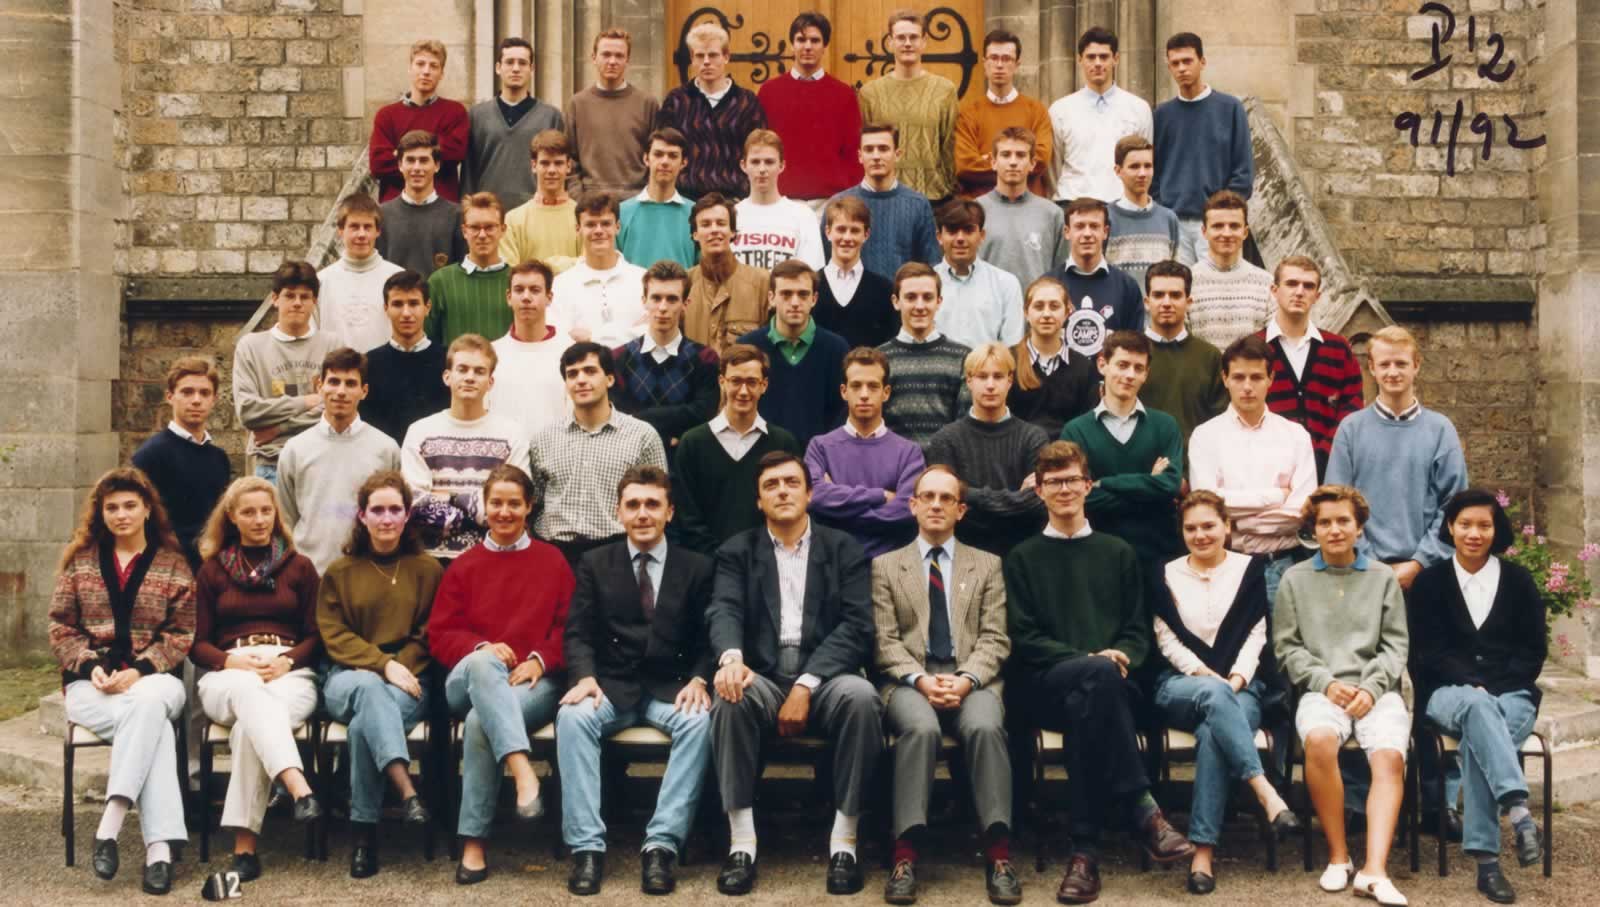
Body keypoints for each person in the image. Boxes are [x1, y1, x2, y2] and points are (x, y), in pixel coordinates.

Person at [1005, 441, 1194, 903]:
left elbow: (1137, 632)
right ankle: (1144, 810)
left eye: (1072, 480)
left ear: (1089, 486)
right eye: (1054, 482)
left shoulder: (1119, 552)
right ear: (1039, 491)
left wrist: (1114, 659)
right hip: (1046, 684)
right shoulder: (1022, 557)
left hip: (1113, 685)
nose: (1064, 489)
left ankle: (1084, 854)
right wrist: (1090, 659)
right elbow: (1024, 637)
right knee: (1093, 683)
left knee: (1090, 702)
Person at [707, 451, 882, 896]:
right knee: (731, 695)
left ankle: (844, 843)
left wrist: (806, 684)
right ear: (759, 500)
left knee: (862, 698)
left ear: (809, 494)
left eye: (791, 483)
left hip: (826, 675)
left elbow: (857, 626)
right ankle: (741, 845)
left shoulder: (843, 548)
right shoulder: (737, 551)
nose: (782, 491)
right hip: (764, 675)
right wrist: (731, 659)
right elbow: (724, 608)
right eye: (771, 485)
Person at [555, 466, 717, 896]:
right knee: (572, 718)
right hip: (611, 686)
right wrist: (584, 676)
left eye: (652, 504)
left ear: (670, 512)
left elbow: (709, 637)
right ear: (619, 512)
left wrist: (701, 678)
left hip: (671, 687)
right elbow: (578, 632)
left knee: (699, 721)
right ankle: (587, 848)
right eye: (633, 505)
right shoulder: (594, 563)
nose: (642, 513)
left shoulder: (697, 567)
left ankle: (661, 845)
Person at [873, 464, 1020, 905]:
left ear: (961, 510)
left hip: (973, 677)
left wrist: (966, 679)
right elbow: (884, 641)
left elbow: (996, 637)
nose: (936, 505)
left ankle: (999, 855)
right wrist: (920, 680)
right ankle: (905, 854)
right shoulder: (886, 566)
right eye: (928, 497)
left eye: (946, 498)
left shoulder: (987, 564)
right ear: (913, 505)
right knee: (920, 730)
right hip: (909, 681)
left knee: (985, 727)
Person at [49, 467, 194, 895]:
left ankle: (110, 823)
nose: (121, 514)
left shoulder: (173, 564)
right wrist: (88, 665)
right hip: (90, 688)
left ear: (148, 509)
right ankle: (159, 853)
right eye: (112, 507)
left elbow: (181, 633)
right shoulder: (80, 563)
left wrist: (140, 670)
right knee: (156, 729)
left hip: (156, 680)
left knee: (149, 703)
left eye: (130, 505)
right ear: (101, 513)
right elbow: (61, 626)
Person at [428, 465, 574, 885]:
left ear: (529, 507)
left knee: (481, 721)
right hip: (468, 679)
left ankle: (473, 843)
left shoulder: (553, 561)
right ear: (484, 506)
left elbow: (570, 628)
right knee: (482, 664)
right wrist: (483, 650)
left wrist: (540, 660)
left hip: (532, 683)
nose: (504, 511)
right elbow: (440, 634)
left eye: (514, 503)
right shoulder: (463, 566)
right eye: (496, 503)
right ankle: (522, 769)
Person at [1151, 491, 1299, 895]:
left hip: (1242, 686)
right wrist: (1208, 678)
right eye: (1191, 528)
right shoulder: (1164, 572)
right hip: (1180, 687)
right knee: (1214, 700)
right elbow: (1166, 640)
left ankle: (1202, 853)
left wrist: (1234, 681)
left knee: (1212, 733)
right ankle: (1265, 792)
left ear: (1226, 526)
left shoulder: (1250, 569)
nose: (1200, 535)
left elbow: (1257, 634)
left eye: (1209, 526)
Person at [1274, 485, 1411, 907]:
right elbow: (1287, 647)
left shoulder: (1383, 577)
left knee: (1389, 756)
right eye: (1325, 522)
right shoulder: (1294, 579)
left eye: (1343, 521)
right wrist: (1326, 683)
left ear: (1359, 527)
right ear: (1313, 530)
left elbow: (1395, 646)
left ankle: (1374, 870)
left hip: (1377, 690)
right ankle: (1338, 856)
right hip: (1323, 689)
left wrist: (1371, 687)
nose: (1334, 530)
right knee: (1318, 740)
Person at [1409, 489, 1547, 905]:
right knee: (1476, 706)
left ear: (1495, 529)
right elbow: (1427, 652)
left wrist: (1494, 687)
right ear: (1450, 527)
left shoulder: (1518, 581)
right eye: (1465, 524)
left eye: (1484, 525)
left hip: (1513, 694)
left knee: (1479, 733)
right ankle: (1519, 812)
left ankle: (1488, 866)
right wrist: (1473, 683)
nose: (1474, 533)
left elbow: (1532, 650)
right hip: (1447, 693)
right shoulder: (1429, 583)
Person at [191, 477, 323, 882]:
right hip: (228, 674)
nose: (259, 519)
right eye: (249, 512)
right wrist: (232, 662)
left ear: (276, 514)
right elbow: (196, 644)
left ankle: (244, 849)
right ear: (232, 517)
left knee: (251, 727)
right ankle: (297, 784)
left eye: (266, 511)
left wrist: (287, 661)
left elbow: (317, 636)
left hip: (288, 672)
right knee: (249, 692)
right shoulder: (212, 571)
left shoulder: (299, 567)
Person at [315, 470, 441, 878]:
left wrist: (399, 665)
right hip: (348, 677)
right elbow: (333, 634)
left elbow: (429, 632)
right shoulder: (339, 571)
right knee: (369, 688)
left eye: (395, 510)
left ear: (407, 516)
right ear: (362, 516)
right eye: (378, 510)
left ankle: (363, 837)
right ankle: (406, 789)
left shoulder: (428, 570)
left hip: (410, 677)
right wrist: (382, 665)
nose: (386, 519)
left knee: (362, 728)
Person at [1327, 325, 1468, 590]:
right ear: (1372, 368)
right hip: (1362, 573)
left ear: (1416, 365)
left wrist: (1420, 562)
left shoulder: (1440, 430)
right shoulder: (1351, 429)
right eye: (1384, 364)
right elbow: (1337, 504)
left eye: (1401, 363)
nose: (1393, 372)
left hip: (1427, 574)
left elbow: (1454, 504)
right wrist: (1369, 562)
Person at [1188, 335, 1317, 600]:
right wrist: (1277, 496)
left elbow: (1300, 512)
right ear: (1225, 378)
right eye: (1238, 377)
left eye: (1256, 377)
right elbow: (1207, 507)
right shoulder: (1204, 437)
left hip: (1286, 566)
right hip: (1227, 565)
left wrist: (1238, 522)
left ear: (1271, 379)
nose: (1247, 387)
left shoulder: (1296, 436)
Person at [529, 342, 669, 567]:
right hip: (555, 553)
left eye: (590, 371)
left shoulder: (642, 436)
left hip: (616, 553)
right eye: (572, 374)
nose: (581, 380)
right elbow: (534, 501)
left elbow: (659, 500)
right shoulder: (544, 438)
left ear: (610, 379)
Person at [1061, 330, 1185, 573]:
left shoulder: (1165, 426)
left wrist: (1104, 483)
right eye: (1122, 365)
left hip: (1158, 556)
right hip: (1096, 557)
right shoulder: (1076, 431)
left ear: (1146, 374)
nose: (1130, 375)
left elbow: (1170, 486)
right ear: (1102, 365)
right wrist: (1149, 484)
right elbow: (1079, 497)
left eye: (1138, 368)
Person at [400, 334, 530, 562]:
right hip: (430, 562)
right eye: (462, 369)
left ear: (490, 382)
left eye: (479, 371)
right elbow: (415, 505)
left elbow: (511, 507)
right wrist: (477, 504)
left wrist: (448, 498)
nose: (470, 377)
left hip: (492, 559)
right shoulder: (420, 432)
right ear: (447, 377)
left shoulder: (512, 434)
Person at [276, 348, 401, 574]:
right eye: (333, 381)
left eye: (350, 384)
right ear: (319, 386)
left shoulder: (386, 449)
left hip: (367, 574)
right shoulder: (295, 450)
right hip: (311, 575)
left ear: (364, 391)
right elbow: (286, 519)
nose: (341, 391)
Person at [671, 344, 802, 555]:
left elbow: (790, 509)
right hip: (707, 564)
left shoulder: (783, 443)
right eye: (735, 381)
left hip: (769, 563)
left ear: (764, 385)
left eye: (751, 382)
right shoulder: (693, 443)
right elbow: (686, 517)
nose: (743, 391)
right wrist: (720, 559)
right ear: (722, 382)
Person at [926, 343, 1048, 556]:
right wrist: (1015, 498)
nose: (990, 385)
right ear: (969, 381)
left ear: (1010, 380)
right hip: (965, 552)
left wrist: (966, 493)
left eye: (998, 376)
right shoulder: (945, 439)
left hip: (1022, 551)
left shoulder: (1033, 438)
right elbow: (946, 503)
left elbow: (1038, 502)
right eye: (982, 377)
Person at [805, 347, 924, 559]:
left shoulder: (909, 452)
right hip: (834, 563)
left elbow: (907, 511)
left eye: (873, 386)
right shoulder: (820, 447)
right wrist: (880, 496)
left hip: (890, 565)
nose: (864, 395)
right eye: (856, 386)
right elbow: (814, 497)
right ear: (844, 391)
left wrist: (837, 510)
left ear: (886, 392)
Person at [233, 260, 341, 483]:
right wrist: (307, 401)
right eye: (290, 296)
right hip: (271, 462)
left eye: (305, 297)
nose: (297, 303)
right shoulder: (251, 347)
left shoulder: (333, 345)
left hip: (322, 459)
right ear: (275, 299)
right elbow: (248, 411)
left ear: (314, 302)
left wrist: (281, 427)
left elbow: (338, 408)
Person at [1258, 255, 1364, 480]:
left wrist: (1324, 452)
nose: (1299, 292)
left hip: (1329, 470)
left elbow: (1352, 407)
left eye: (1308, 286)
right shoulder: (1254, 348)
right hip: (1270, 470)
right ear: (1274, 290)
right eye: (1291, 284)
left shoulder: (1338, 349)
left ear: (1317, 296)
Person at [1152, 32, 1254, 264]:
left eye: (1187, 61)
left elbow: (1243, 172)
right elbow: (1153, 171)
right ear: (1169, 67)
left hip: (1216, 224)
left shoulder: (1230, 108)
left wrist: (1222, 214)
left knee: (1219, 285)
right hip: (1173, 224)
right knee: (1177, 285)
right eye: (1175, 63)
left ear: (1202, 62)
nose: (1182, 68)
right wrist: (1163, 208)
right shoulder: (1161, 115)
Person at [736, 258, 849, 448]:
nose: (795, 302)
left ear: (814, 299)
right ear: (771, 298)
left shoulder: (836, 349)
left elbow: (843, 411)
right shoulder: (748, 347)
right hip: (762, 457)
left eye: (803, 294)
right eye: (786, 294)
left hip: (820, 458)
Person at [610, 260, 721, 450]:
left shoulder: (705, 358)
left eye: (672, 299)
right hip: (632, 460)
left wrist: (640, 417)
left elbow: (704, 414)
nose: (663, 307)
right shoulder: (617, 358)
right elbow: (616, 418)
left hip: (683, 462)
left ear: (685, 303)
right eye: (656, 298)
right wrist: (671, 433)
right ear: (644, 301)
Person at [132, 357, 231, 568]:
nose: (196, 400)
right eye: (187, 392)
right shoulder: (150, 455)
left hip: (212, 569)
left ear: (214, 399)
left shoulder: (219, 458)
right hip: (167, 571)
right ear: (170, 397)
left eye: (204, 393)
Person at [756, 12, 863, 203]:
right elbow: (759, 148)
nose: (807, 46)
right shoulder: (769, 92)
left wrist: (848, 198)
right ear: (792, 44)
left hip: (830, 200)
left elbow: (853, 152)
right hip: (780, 199)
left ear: (825, 46)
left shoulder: (844, 94)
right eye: (801, 40)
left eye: (815, 40)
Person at [657, 21, 767, 199]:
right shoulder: (677, 101)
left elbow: (759, 152)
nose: (706, 62)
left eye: (713, 55)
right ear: (692, 59)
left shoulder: (746, 102)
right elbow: (663, 150)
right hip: (686, 198)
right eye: (700, 56)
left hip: (734, 199)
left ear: (726, 56)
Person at [858, 10, 958, 202]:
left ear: (924, 41)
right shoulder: (870, 93)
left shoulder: (945, 90)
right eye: (901, 37)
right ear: (890, 42)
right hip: (883, 196)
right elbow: (865, 147)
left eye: (913, 37)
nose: (907, 43)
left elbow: (949, 145)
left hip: (933, 197)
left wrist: (949, 190)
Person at [1049, 26, 1153, 204]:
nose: (1097, 63)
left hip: (1121, 205)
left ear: (1116, 59)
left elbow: (1145, 161)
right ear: (1080, 60)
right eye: (1091, 57)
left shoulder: (1138, 108)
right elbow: (1053, 168)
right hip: (1073, 205)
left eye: (1104, 57)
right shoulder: (1060, 110)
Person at [461, 37, 563, 212]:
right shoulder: (477, 115)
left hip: (535, 212)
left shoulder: (550, 116)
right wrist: (467, 211)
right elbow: (468, 173)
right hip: (487, 214)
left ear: (532, 69)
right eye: (509, 62)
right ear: (498, 68)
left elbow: (560, 171)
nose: (516, 68)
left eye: (522, 63)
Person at [828, 123, 941, 280]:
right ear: (860, 156)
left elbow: (930, 264)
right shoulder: (838, 203)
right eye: (869, 149)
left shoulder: (918, 204)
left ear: (897, 154)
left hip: (901, 294)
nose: (876, 156)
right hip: (851, 293)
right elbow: (826, 262)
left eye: (883, 149)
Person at [878, 263, 973, 448]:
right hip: (894, 462)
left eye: (927, 297)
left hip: (945, 462)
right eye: (911, 297)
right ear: (896, 302)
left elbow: (965, 427)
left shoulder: (963, 358)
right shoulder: (879, 359)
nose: (920, 306)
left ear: (939, 302)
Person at [1138, 260, 1228, 447]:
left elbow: (1221, 424)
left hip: (1197, 460)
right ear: (1147, 302)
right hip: (1141, 462)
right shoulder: (1129, 356)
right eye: (1158, 295)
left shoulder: (1210, 357)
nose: (1166, 303)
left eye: (1175, 295)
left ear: (1188, 302)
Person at [955, 29, 1053, 199]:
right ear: (984, 63)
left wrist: (987, 159)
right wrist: (1019, 161)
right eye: (994, 58)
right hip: (980, 207)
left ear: (1017, 64)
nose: (999, 65)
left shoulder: (1036, 111)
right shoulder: (968, 114)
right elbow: (965, 166)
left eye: (1006, 59)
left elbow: (1041, 160)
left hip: (1027, 205)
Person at [369, 39, 469, 203]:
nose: (426, 71)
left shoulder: (455, 112)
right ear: (410, 68)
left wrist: (400, 153)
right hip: (395, 209)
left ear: (441, 74)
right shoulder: (386, 115)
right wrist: (433, 152)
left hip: (441, 208)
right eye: (420, 64)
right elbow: (379, 164)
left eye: (433, 66)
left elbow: (454, 154)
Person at [1045, 198, 1145, 359]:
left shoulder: (1127, 287)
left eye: (1094, 226)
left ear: (1105, 232)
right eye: (1079, 226)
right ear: (1067, 232)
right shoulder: (1048, 285)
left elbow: (1135, 349)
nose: (1087, 234)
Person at [564, 28, 659, 197]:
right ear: (594, 58)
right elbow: (569, 159)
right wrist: (578, 196)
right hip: (590, 202)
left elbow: (656, 157)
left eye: (619, 56)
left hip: (636, 200)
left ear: (627, 60)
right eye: (606, 54)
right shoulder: (577, 104)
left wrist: (646, 197)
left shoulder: (647, 104)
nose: (612, 61)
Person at [484, 260, 574, 437]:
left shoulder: (570, 351)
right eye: (519, 290)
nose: (526, 297)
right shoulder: (491, 354)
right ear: (509, 297)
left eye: (535, 290)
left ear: (549, 297)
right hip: (505, 452)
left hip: (556, 451)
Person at [362, 270, 451, 445]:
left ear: (427, 307)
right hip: (384, 458)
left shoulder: (449, 361)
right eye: (397, 304)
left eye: (413, 303)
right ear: (386, 309)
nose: (406, 313)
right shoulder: (368, 364)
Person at [549, 193, 648, 347]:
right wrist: (630, 334)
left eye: (606, 223)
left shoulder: (643, 280)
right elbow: (559, 340)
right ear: (578, 229)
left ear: (617, 227)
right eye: (590, 224)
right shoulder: (560, 286)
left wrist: (591, 338)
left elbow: (651, 335)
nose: (599, 230)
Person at [1006, 277, 1098, 438]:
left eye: (1054, 306)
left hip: (1068, 451)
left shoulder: (1084, 367)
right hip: (1017, 451)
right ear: (1026, 312)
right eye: (1039, 306)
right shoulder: (1008, 361)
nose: (1047, 314)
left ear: (1067, 312)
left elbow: (1087, 427)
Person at [684, 192, 772, 354]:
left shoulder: (762, 282)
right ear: (695, 235)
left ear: (732, 232)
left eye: (721, 223)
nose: (714, 230)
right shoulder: (684, 283)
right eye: (705, 224)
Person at [976, 127, 1063, 288]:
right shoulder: (975, 211)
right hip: (988, 302)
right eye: (1005, 154)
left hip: (1036, 303)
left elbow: (1061, 274)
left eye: (1021, 155)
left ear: (1032, 164)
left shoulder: (1052, 214)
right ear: (993, 162)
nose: (1013, 162)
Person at [317, 193, 404, 354]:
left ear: (378, 231)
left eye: (367, 227)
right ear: (340, 230)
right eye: (354, 227)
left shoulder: (397, 277)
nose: (362, 234)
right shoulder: (322, 281)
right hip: (336, 369)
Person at [934, 199, 1025, 349]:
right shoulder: (925, 285)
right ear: (939, 237)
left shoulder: (1006, 284)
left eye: (968, 230)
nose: (960, 238)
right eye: (952, 231)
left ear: (982, 235)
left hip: (990, 365)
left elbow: (1012, 346)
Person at [423, 192, 513, 345]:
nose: (482, 235)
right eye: (475, 227)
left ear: (503, 230)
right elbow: (427, 341)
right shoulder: (440, 282)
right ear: (464, 231)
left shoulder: (518, 282)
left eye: (490, 227)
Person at [376, 129, 466, 280]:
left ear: (436, 165)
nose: (417, 168)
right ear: (400, 165)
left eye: (424, 160)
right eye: (410, 160)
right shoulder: (381, 215)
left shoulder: (457, 216)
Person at [1189, 190, 1273, 349]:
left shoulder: (1266, 283)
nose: (1226, 233)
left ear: (1245, 232)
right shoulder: (1187, 282)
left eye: (1234, 226)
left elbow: (1273, 344)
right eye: (1218, 226)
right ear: (1204, 232)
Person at [812, 195, 898, 349]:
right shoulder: (810, 286)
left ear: (866, 235)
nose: (847, 237)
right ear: (828, 232)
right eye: (841, 229)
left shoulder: (884, 289)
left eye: (855, 230)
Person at [732, 130, 826, 270]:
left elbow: (810, 273)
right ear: (743, 165)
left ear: (781, 165)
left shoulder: (803, 216)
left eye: (769, 162)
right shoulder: (731, 215)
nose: (762, 169)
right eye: (755, 162)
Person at [1106, 135, 1181, 293]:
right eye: (1134, 167)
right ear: (1118, 171)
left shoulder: (1169, 219)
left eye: (1148, 166)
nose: (1142, 173)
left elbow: (1175, 274)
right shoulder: (1105, 218)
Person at [498, 129, 581, 271]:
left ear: (568, 166)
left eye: (558, 163)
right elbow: (510, 273)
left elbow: (589, 267)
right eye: (545, 163)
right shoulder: (513, 220)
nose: (551, 170)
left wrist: (548, 266)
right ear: (533, 165)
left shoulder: (583, 217)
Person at [617, 128, 697, 269]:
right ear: (646, 159)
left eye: (673, 156)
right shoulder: (622, 212)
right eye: (658, 154)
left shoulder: (696, 213)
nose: (665, 161)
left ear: (684, 163)